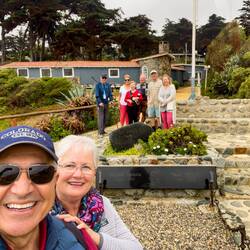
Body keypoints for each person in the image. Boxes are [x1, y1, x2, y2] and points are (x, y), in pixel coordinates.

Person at [0, 125, 87, 250]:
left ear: (55, 181)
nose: (22, 190)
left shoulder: (73, 237)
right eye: (4, 173)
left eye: (40, 173)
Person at [52, 135, 143, 250]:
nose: (78, 174)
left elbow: (135, 247)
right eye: (70, 165)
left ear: (94, 172)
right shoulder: (42, 210)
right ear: (55, 170)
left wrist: (92, 236)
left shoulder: (101, 204)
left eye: (86, 167)